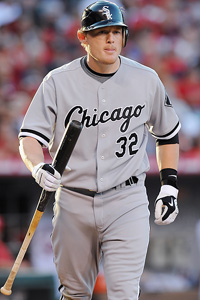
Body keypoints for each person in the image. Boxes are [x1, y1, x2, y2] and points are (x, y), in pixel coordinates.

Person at [18, 1, 180, 299]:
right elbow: (29, 137)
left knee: (123, 291)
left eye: (117, 32)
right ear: (84, 38)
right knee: (75, 293)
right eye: (102, 32)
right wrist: (37, 167)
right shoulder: (57, 81)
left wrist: (169, 185)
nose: (111, 39)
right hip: (73, 200)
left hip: (127, 199)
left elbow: (167, 134)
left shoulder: (146, 79)